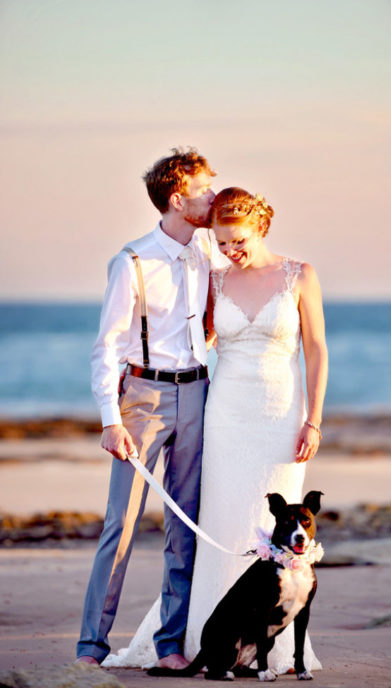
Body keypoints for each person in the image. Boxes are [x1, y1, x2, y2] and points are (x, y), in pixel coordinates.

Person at [103, 186, 328, 674]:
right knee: (221, 523)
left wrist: (314, 419)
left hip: (281, 415)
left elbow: (316, 352)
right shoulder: (218, 281)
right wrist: (137, 368)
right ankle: (213, 637)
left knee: (277, 530)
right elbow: (190, 339)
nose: (229, 251)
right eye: (222, 243)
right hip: (224, 415)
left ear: (261, 226)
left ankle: (277, 650)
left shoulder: (300, 275)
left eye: (238, 240)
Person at [76, 147, 225, 669]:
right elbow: (107, 347)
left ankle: (170, 646)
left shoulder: (208, 251)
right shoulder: (132, 261)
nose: (213, 195)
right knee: (121, 524)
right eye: (205, 188)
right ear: (178, 198)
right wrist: (110, 421)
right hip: (142, 399)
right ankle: (90, 648)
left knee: (183, 527)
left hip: (199, 393)